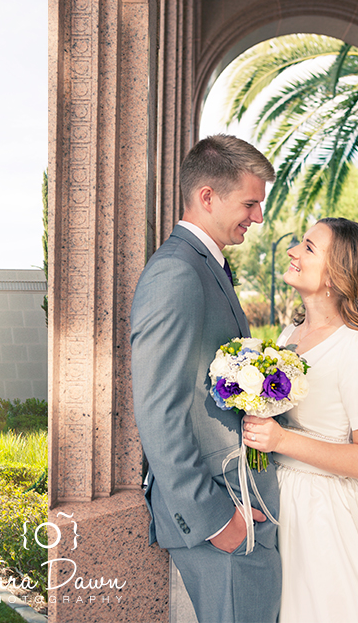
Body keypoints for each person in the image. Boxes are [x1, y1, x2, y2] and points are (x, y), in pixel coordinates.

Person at [131, 134, 281, 623]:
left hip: (239, 499)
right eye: (250, 203)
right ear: (208, 197)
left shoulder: (204, 265)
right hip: (220, 511)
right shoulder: (177, 273)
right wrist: (216, 520)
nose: (258, 217)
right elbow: (159, 408)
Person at [244, 217, 358, 623]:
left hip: (322, 513)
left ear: (336, 277)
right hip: (277, 498)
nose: (293, 252)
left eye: (307, 247)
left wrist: (281, 441)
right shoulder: (289, 335)